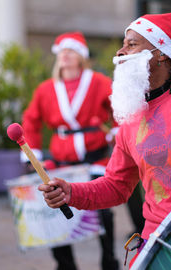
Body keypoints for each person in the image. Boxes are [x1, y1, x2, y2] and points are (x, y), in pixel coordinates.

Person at [38, 13, 171, 268]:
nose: (120, 52)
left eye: (131, 44)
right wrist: (70, 192)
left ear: (160, 53)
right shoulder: (131, 115)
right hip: (157, 241)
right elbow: (117, 186)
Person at [21, 32, 119, 270]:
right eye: (62, 51)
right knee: (55, 212)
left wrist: (117, 133)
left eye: (71, 50)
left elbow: (120, 106)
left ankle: (109, 260)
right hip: (60, 162)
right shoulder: (46, 89)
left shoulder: (98, 82)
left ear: (81, 57)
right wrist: (31, 155)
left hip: (95, 158)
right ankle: (65, 265)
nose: (65, 54)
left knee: (102, 211)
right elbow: (31, 121)